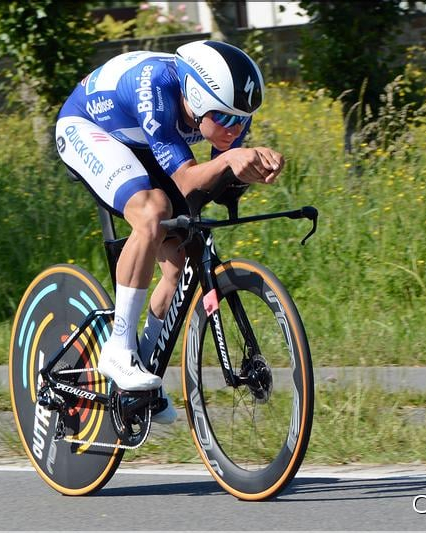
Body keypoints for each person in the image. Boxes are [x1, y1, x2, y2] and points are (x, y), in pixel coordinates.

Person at [54, 40, 284, 424]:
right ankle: (119, 349)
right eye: (228, 120)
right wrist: (230, 158)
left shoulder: (224, 105)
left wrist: (255, 167)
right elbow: (189, 182)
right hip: (89, 127)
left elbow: (213, 185)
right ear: (195, 96)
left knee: (180, 262)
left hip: (142, 139)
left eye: (245, 120)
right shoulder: (157, 89)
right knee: (152, 212)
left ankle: (143, 371)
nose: (238, 128)